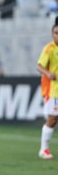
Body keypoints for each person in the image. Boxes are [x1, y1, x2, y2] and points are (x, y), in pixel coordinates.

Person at [36, 16, 58, 160]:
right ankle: (44, 149)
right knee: (53, 119)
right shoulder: (49, 48)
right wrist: (48, 73)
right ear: (52, 34)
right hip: (54, 89)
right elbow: (39, 66)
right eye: (56, 33)